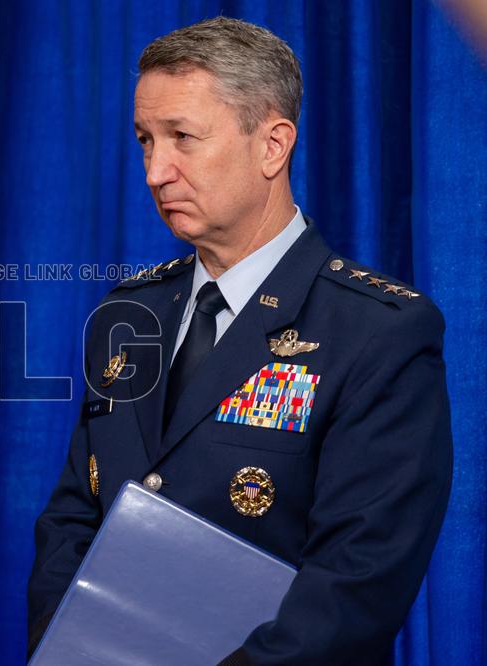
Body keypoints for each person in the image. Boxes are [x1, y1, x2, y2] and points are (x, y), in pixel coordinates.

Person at [27, 17, 453, 666]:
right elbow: (72, 522)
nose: (154, 172)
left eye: (183, 139)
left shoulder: (379, 330)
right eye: (146, 140)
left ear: (272, 145)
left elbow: (358, 582)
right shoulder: (127, 317)